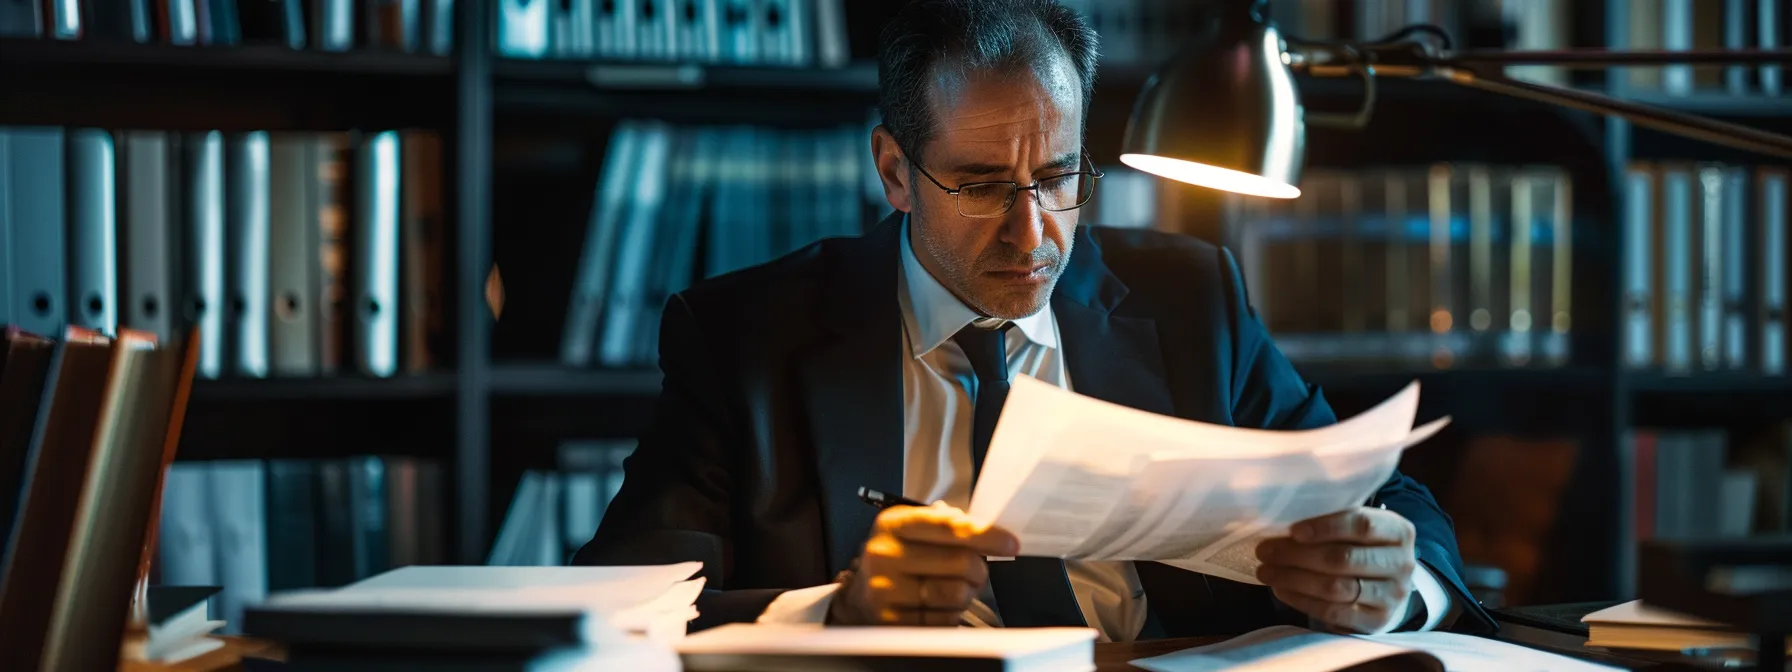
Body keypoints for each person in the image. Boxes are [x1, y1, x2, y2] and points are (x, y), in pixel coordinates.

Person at [574, 0, 1495, 642]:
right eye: (979, 185)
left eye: (1058, 178)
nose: (1032, 233)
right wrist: (834, 610)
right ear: (894, 171)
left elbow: (1388, 506)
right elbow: (628, 599)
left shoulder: (1189, 300)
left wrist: (1397, 587)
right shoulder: (746, 336)